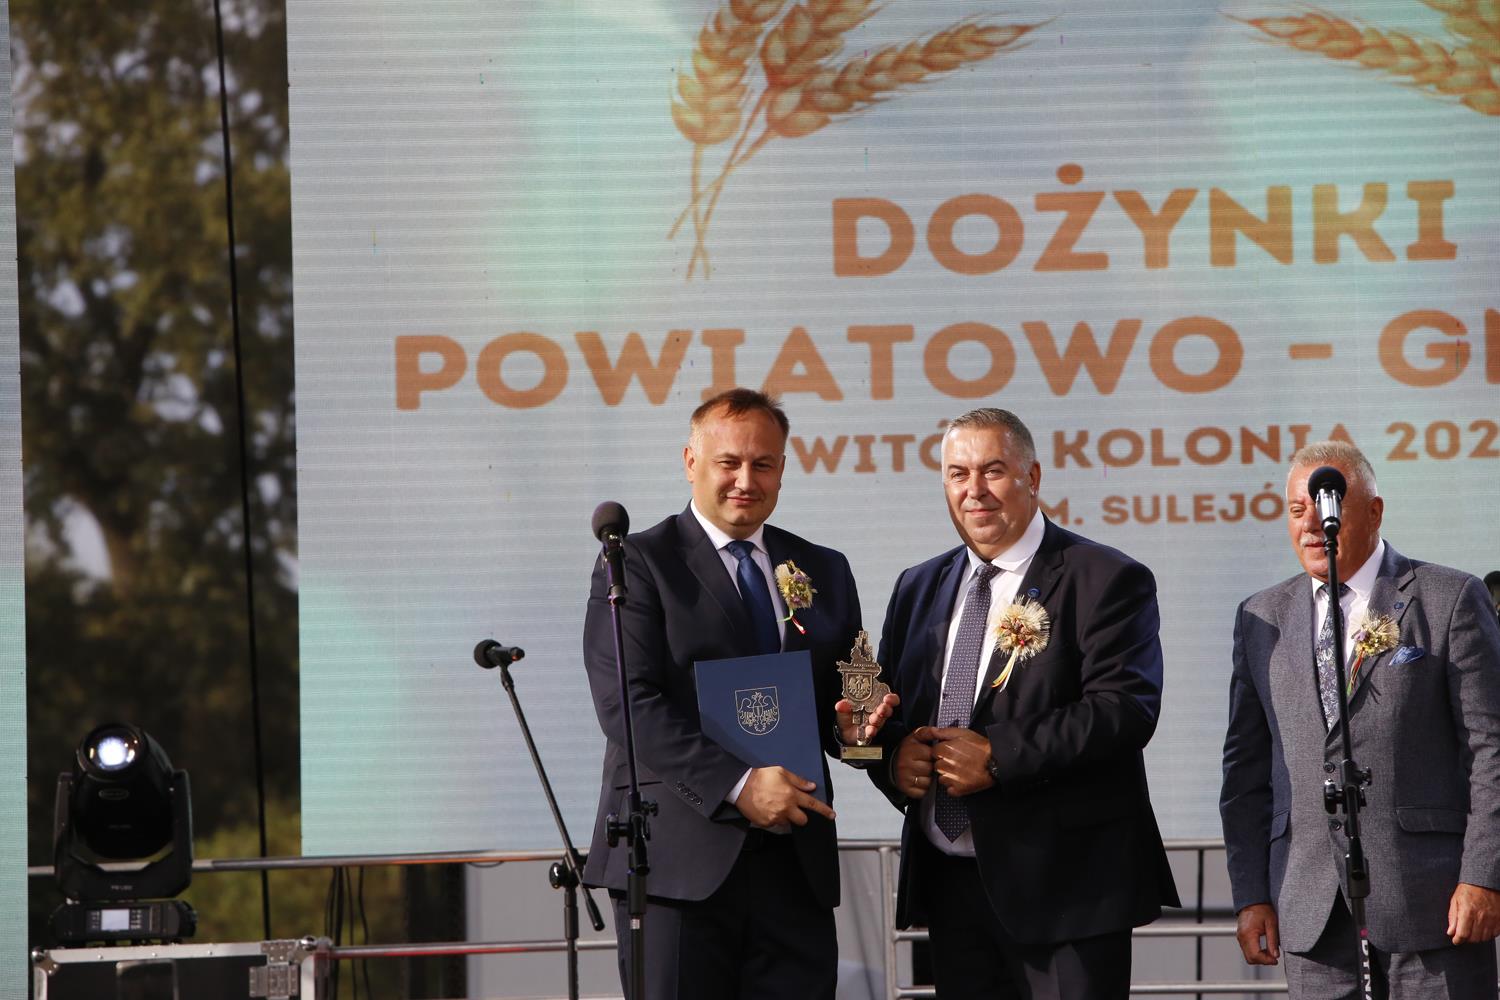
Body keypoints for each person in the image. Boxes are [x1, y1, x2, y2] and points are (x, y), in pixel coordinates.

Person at [855, 407, 1178, 1000]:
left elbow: (1125, 709)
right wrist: (892, 758)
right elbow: (891, 710)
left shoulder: (1105, 577)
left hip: (1067, 889)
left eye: (993, 471)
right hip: (951, 887)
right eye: (957, 474)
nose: (974, 490)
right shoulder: (917, 585)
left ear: (1032, 476)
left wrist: (998, 756)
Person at [581, 387, 881, 1000]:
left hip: (795, 864)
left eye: (763, 464)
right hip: (679, 866)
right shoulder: (638, 562)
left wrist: (864, 733)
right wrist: (739, 786)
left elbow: (854, 692)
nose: (746, 480)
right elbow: (627, 705)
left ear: (782, 469)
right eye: (729, 463)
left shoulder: (825, 567)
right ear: (690, 461)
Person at [1220, 440, 1500, 998]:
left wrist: (1483, 875)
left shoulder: (1448, 598)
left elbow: (1490, 748)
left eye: (1325, 507)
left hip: (1434, 903)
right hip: (1311, 908)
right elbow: (1246, 770)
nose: (1309, 525)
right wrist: (1251, 894)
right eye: (1296, 510)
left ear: (1374, 511)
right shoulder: (1260, 617)